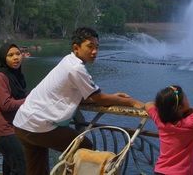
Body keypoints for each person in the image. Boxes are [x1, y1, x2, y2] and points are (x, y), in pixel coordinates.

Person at [13, 27, 142, 175]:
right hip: (37, 125)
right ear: (76, 48)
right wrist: (131, 102)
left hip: (22, 123)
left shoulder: (68, 61)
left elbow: (89, 97)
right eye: (90, 46)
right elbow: (98, 98)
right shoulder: (76, 68)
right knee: (84, 147)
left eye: (97, 47)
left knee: (37, 170)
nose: (94, 51)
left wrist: (114, 97)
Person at [142, 85, 193, 175]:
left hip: (160, 170)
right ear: (180, 108)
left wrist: (164, 107)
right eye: (185, 97)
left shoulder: (159, 119)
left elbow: (148, 104)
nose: (187, 98)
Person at [0, 43, 27, 175]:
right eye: (10, 55)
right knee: (21, 167)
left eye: (18, 54)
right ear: (3, 58)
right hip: (3, 130)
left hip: (15, 127)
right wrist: (29, 100)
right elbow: (6, 105)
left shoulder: (17, 76)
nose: (16, 57)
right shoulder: (0, 77)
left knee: (10, 168)